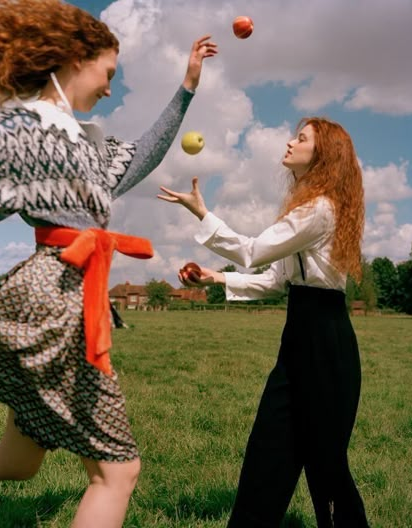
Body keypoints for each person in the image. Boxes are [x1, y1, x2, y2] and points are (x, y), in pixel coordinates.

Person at [0, 0, 217, 526]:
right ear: (74, 58)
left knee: (18, 462)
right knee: (118, 473)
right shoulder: (28, 131)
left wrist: (186, 87)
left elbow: (142, 155)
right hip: (57, 306)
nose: (111, 88)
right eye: (108, 72)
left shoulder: (83, 141)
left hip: (64, 299)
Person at [158, 117, 370, 527]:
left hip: (327, 346)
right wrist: (218, 277)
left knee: (326, 467)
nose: (290, 142)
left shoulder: (321, 210)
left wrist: (203, 214)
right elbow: (277, 281)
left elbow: (255, 251)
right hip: (298, 342)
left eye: (301, 138)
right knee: (268, 450)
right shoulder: (308, 206)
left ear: (322, 154)